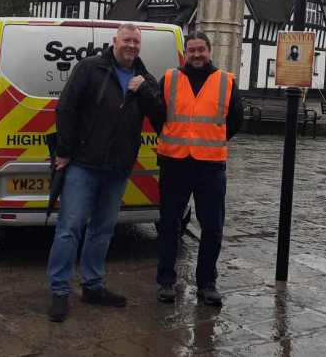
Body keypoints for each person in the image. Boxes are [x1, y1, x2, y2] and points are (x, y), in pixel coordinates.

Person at [46, 23, 163, 322]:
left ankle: (93, 286)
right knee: (69, 227)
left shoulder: (145, 78)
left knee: (102, 229)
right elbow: (66, 107)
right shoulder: (90, 67)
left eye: (136, 41)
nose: (132, 46)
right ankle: (60, 290)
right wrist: (65, 151)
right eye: (127, 40)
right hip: (84, 164)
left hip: (118, 167)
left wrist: (145, 90)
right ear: (115, 41)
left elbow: (162, 117)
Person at [153, 31, 242, 307]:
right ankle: (166, 281)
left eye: (200, 49)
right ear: (185, 53)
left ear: (209, 50)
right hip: (174, 163)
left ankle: (207, 283)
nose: (196, 55)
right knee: (169, 225)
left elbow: (236, 120)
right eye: (191, 50)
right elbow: (157, 115)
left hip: (210, 167)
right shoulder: (169, 79)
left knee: (212, 228)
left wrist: (209, 140)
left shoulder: (226, 82)